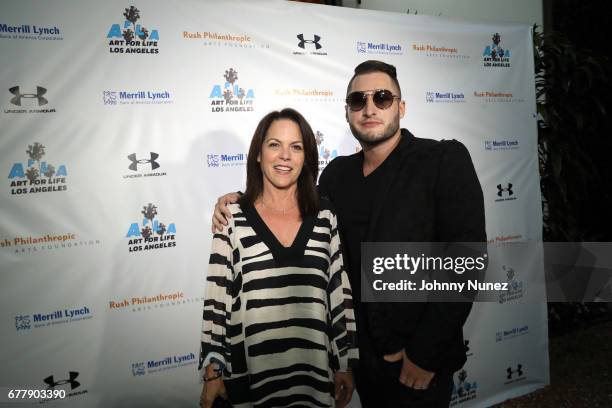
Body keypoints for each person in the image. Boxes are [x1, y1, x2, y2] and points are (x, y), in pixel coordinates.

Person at [212, 61, 486, 407]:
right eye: (358, 100)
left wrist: (425, 354)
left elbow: (466, 262)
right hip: (362, 364)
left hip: (417, 367)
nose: (369, 108)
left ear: (401, 107)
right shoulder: (337, 176)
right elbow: (293, 206)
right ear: (347, 113)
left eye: (382, 98)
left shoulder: (442, 159)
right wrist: (239, 201)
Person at [199, 108, 358, 408]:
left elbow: (339, 294)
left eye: (295, 147)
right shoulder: (231, 218)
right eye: (274, 144)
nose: (285, 155)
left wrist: (345, 364)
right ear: (258, 154)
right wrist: (212, 374)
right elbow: (216, 302)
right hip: (251, 381)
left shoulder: (325, 216)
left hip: (313, 378)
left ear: (306, 157)